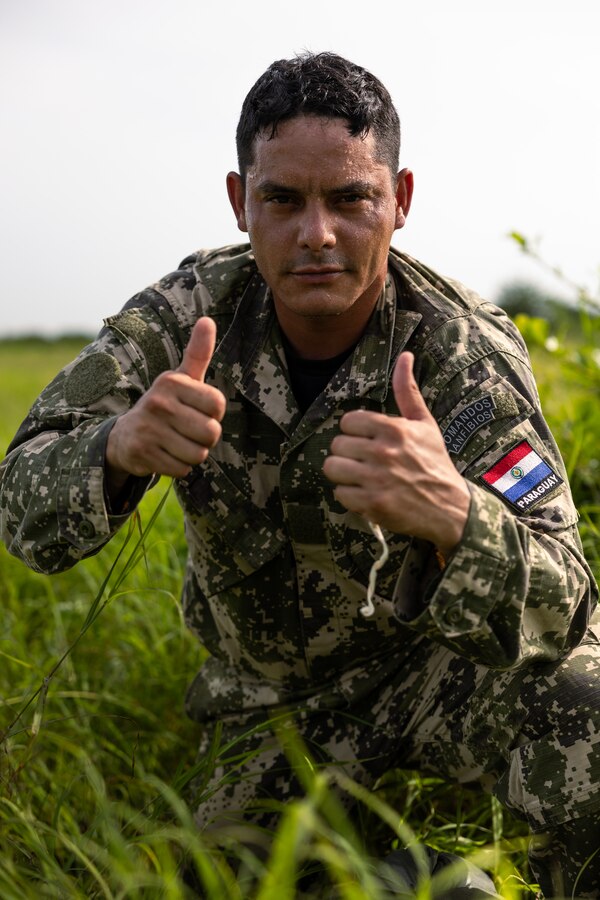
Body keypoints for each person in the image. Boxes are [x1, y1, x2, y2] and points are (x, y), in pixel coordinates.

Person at [1, 51, 599, 898]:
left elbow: (567, 601)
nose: (317, 233)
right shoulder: (183, 316)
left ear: (400, 201)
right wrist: (119, 447)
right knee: (218, 883)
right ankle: (434, 883)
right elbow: (17, 503)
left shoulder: (461, 350)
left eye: (351, 199)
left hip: (440, 672)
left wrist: (458, 516)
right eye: (283, 200)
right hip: (268, 706)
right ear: (242, 203)